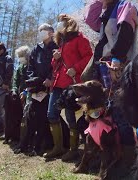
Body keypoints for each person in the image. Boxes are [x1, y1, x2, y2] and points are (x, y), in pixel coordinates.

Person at [84, 0, 138, 145]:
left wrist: (117, 58)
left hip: (118, 63)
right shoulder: (106, 12)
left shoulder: (124, 6)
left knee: (119, 110)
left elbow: (126, 31)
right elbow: (89, 19)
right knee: (105, 109)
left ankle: (128, 153)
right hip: (104, 64)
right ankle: (111, 151)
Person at [44, 14, 93, 160]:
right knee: (51, 113)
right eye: (59, 22)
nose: (59, 25)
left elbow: (89, 57)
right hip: (58, 83)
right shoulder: (61, 42)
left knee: (72, 117)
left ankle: (73, 149)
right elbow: (55, 66)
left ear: (69, 24)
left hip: (73, 83)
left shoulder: (80, 39)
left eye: (62, 22)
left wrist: (76, 68)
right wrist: (56, 58)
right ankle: (58, 147)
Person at [14, 24, 58, 156]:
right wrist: (34, 81)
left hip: (50, 86)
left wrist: (50, 79)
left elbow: (57, 66)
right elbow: (30, 68)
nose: (40, 33)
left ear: (51, 32)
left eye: (43, 30)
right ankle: (27, 144)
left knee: (45, 117)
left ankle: (42, 145)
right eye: (39, 31)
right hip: (36, 87)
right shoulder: (36, 49)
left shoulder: (56, 48)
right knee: (32, 116)